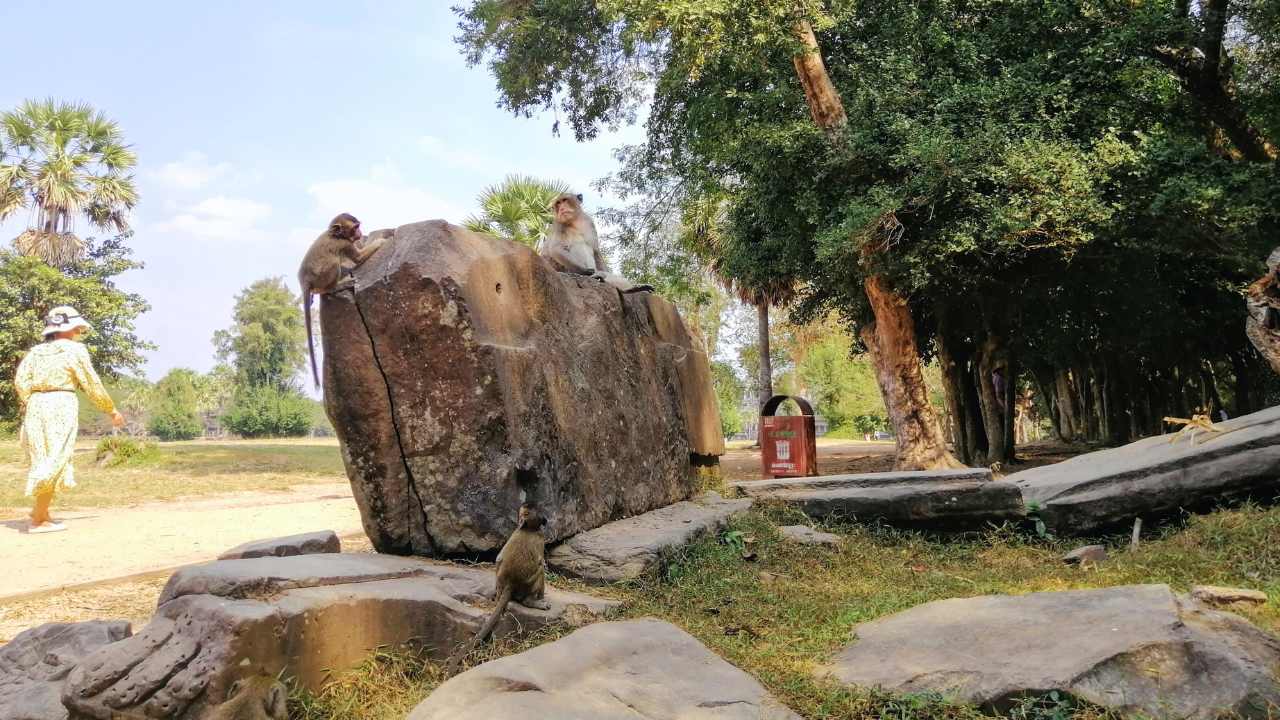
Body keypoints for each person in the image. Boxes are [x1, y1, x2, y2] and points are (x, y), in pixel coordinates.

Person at [14, 306, 125, 533]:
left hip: (35, 404)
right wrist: (111, 409)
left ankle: (41, 511)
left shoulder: (36, 352)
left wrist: (32, 401)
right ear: (71, 328)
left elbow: (20, 381)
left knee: (44, 457)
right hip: (60, 403)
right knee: (56, 458)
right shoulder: (74, 350)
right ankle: (38, 519)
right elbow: (91, 383)